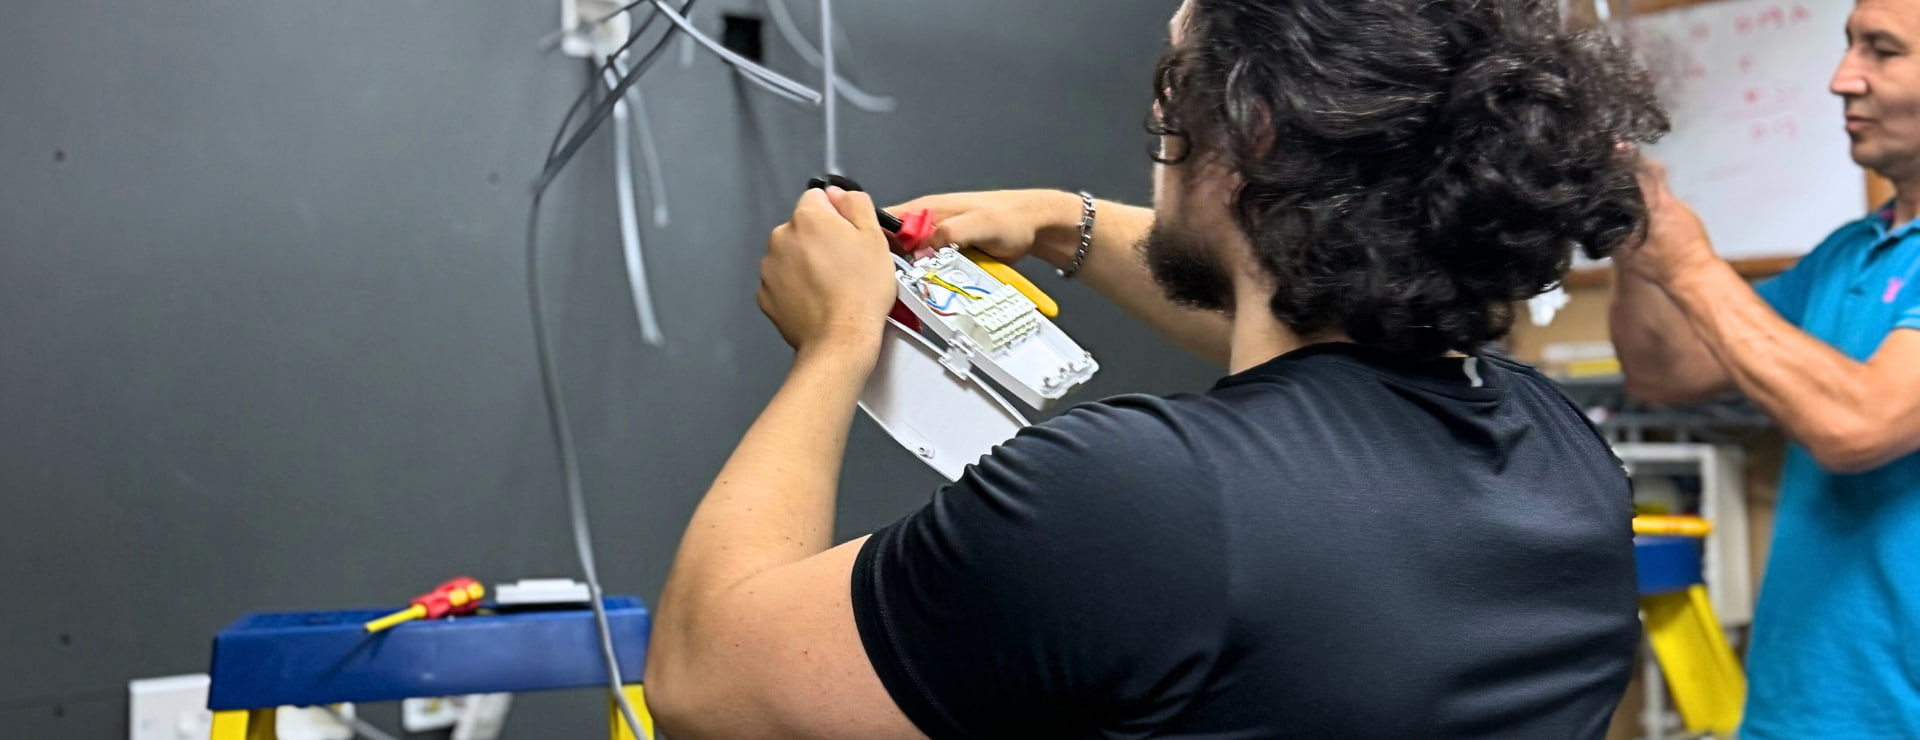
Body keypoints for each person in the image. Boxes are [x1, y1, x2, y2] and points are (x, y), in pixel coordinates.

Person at [644, 0, 1667, 737]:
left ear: (1247, 134)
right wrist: (1062, 222)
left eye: (1178, 89)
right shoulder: (1563, 451)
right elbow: (1313, 308)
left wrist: (836, 341)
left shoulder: (1140, 497)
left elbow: (701, 677)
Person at [1610, 1, 1920, 737]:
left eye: (1883, 50)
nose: (1843, 79)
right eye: (1848, 46)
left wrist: (1688, 264)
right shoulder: (1848, 252)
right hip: (1796, 707)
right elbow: (1668, 371)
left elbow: (1857, 423)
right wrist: (1633, 230)